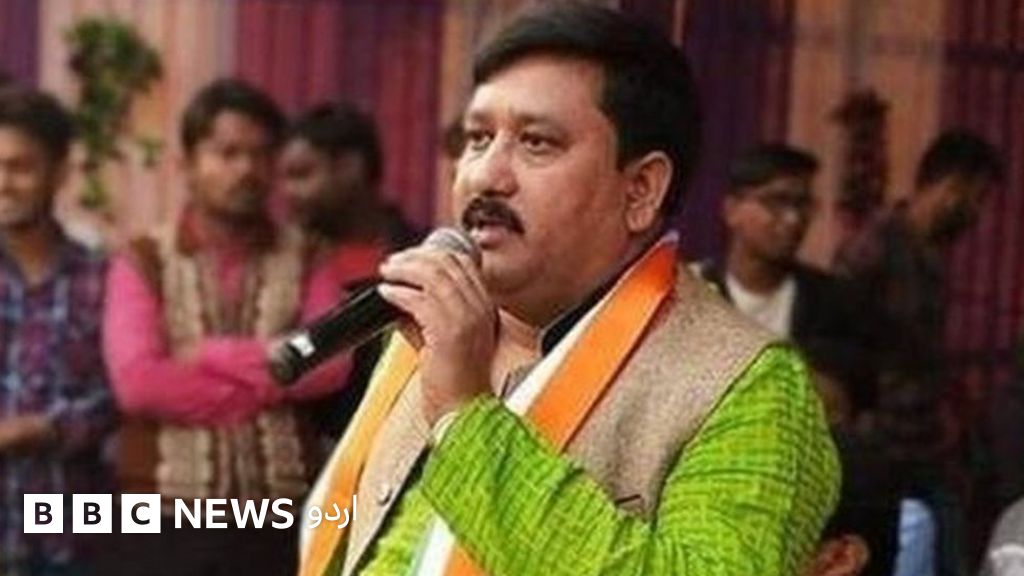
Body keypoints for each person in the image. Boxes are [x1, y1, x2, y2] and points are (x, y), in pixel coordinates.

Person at [301, 5, 838, 576]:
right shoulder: (435, 324)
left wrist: (464, 417)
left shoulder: (750, 388)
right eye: (478, 139)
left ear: (641, 190)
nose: (484, 175)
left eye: (537, 143)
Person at [100, 79, 350, 576]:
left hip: (280, 517)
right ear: (188, 164)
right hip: (162, 516)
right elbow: (139, 383)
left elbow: (331, 365)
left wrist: (209, 355)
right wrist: (272, 373)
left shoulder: (310, 256)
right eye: (227, 153)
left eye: (260, 154)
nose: (246, 169)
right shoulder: (143, 259)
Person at [835, 129, 1004, 576]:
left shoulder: (932, 256)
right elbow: (842, 347)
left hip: (925, 447)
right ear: (950, 185)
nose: (977, 214)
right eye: (976, 198)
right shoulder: (875, 247)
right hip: (881, 445)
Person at [0, 88, 114, 576]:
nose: (4, 183)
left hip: (70, 536)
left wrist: (44, 428)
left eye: (20, 167)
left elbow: (120, 394)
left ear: (59, 172)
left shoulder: (102, 278)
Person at [700, 143, 878, 424]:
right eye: (776, 202)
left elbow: (842, 399)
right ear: (732, 210)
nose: (793, 219)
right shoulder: (695, 295)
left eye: (803, 204)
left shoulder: (835, 302)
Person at [279, 103, 421, 440]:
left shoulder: (419, 257)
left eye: (302, 174)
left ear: (350, 167)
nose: (288, 193)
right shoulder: (287, 265)